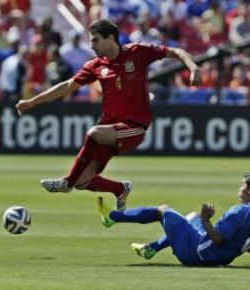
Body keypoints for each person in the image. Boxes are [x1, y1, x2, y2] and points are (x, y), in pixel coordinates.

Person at [15, 19, 202, 211]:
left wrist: (193, 68)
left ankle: (66, 183)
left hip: (134, 127)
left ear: (111, 38)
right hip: (109, 129)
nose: (91, 45)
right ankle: (120, 189)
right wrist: (32, 102)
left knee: (93, 134)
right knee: (83, 181)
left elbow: (176, 52)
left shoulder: (137, 52)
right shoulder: (95, 65)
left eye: (95, 40)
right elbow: (67, 86)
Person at [97, 172, 250, 266]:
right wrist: (230, 247)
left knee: (163, 210)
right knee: (191, 217)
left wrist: (206, 218)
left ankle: (113, 217)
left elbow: (217, 239)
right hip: (219, 259)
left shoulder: (239, 210)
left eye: (243, 184)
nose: (240, 188)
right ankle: (152, 248)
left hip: (197, 252)